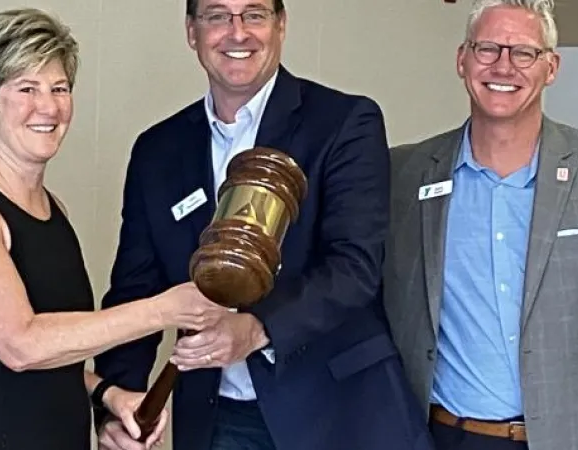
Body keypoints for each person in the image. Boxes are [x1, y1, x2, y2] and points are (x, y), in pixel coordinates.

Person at [93, 0, 434, 449]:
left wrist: (256, 328)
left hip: (339, 413)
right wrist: (118, 400)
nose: (238, 33)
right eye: (217, 16)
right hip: (220, 422)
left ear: (280, 26)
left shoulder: (344, 122)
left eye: (254, 14)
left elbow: (354, 268)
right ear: (192, 32)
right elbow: (137, 290)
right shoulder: (158, 150)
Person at [0, 8, 223, 450]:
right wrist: (164, 309)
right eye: (26, 89)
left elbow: (55, 355)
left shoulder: (54, 210)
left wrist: (107, 394)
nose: (49, 106)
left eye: (59, 88)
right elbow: (22, 345)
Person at [383, 1, 578, 450]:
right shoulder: (404, 175)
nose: (504, 65)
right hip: (440, 436)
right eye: (487, 49)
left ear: (551, 67)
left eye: (524, 52)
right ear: (462, 59)